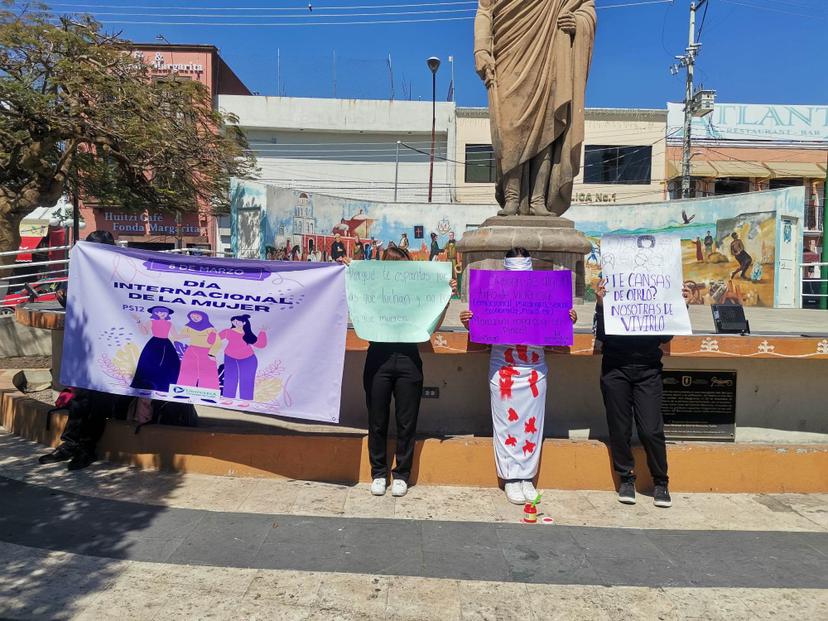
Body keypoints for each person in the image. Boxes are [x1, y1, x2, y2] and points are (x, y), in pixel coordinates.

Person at [459, 248, 577, 504]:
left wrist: (567, 319)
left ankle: (527, 477)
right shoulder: (494, 292)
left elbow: (557, 327)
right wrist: (470, 321)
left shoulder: (544, 293)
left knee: (532, 426)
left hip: (534, 369)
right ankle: (511, 477)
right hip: (504, 369)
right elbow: (482, 328)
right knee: (505, 424)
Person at [359, 246, 457, 498]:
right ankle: (378, 473)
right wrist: (353, 276)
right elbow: (358, 306)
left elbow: (431, 323)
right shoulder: (375, 290)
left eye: (402, 265)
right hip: (378, 359)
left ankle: (401, 473)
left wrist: (444, 297)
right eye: (393, 265)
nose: (399, 270)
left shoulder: (414, 293)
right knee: (377, 421)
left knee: (407, 421)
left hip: (408, 361)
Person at [593, 279, 691, 508]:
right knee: (619, 427)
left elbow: (666, 337)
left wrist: (682, 305)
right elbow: (601, 335)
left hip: (648, 370)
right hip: (615, 369)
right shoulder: (610, 298)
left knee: (651, 429)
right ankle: (626, 478)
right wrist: (600, 304)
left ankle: (660, 481)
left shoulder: (656, 300)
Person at [40, 229, 133, 471]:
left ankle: (87, 448)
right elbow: (68, 298)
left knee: (100, 400)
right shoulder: (79, 273)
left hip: (111, 345)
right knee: (81, 398)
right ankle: (70, 444)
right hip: (85, 344)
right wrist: (63, 293)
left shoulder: (123, 272)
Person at [130, 306, 181, 392]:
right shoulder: (151, 322)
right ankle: (145, 385)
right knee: (149, 363)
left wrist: (190, 334)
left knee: (169, 364)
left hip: (166, 344)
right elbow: (144, 332)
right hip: (154, 343)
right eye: (159, 312)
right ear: (155, 313)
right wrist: (138, 321)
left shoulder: (169, 324)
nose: (162, 314)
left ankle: (164, 386)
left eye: (164, 312)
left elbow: (175, 335)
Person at [219, 314, 267, 401]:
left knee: (247, 379)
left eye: (238, 321)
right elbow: (214, 339)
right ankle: (227, 398)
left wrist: (262, 332)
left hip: (248, 359)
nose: (235, 322)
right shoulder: (227, 331)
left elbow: (261, 344)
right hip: (230, 357)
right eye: (233, 321)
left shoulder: (248, 334)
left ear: (244, 323)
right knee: (230, 378)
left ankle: (246, 401)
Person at [176, 311, 220, 390]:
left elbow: (217, 342)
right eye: (192, 317)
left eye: (197, 317)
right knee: (187, 371)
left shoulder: (210, 329)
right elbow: (180, 336)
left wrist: (212, 354)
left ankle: (208, 395)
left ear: (203, 317)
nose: (195, 318)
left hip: (206, 352)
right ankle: (182, 392)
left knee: (208, 373)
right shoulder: (188, 327)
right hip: (192, 350)